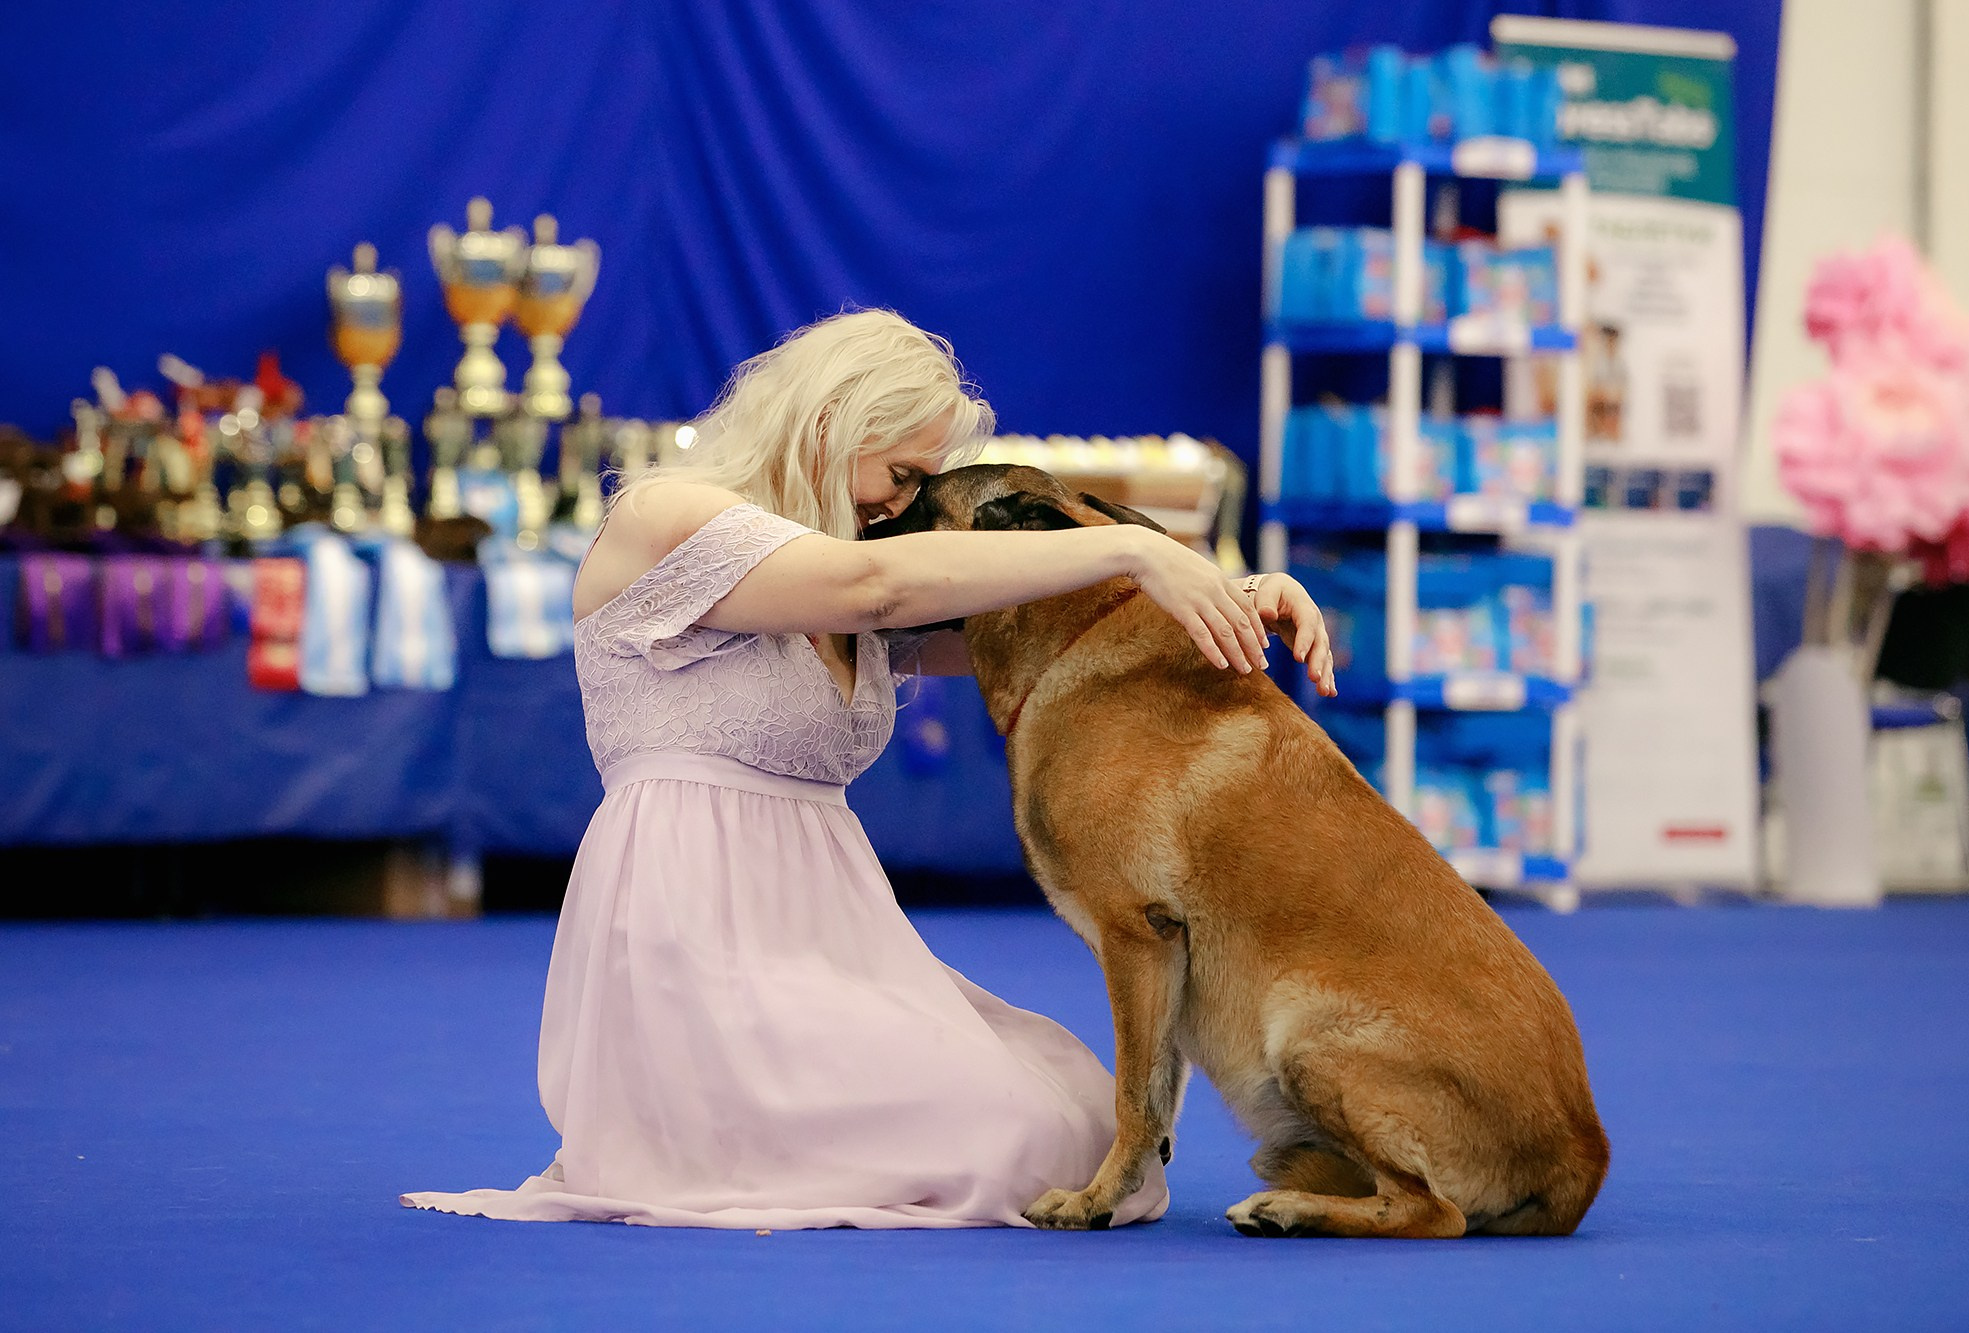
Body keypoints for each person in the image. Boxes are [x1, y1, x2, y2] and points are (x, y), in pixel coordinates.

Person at [401, 309, 1337, 1230]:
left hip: (831, 936)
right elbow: (879, 587)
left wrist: (1233, 596)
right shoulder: (667, 514)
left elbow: (1035, 618)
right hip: (692, 940)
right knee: (1007, 1141)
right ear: (828, 422)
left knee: (1082, 1121)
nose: (909, 502)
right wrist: (1142, 545)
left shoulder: (848, 577)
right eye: (903, 473)